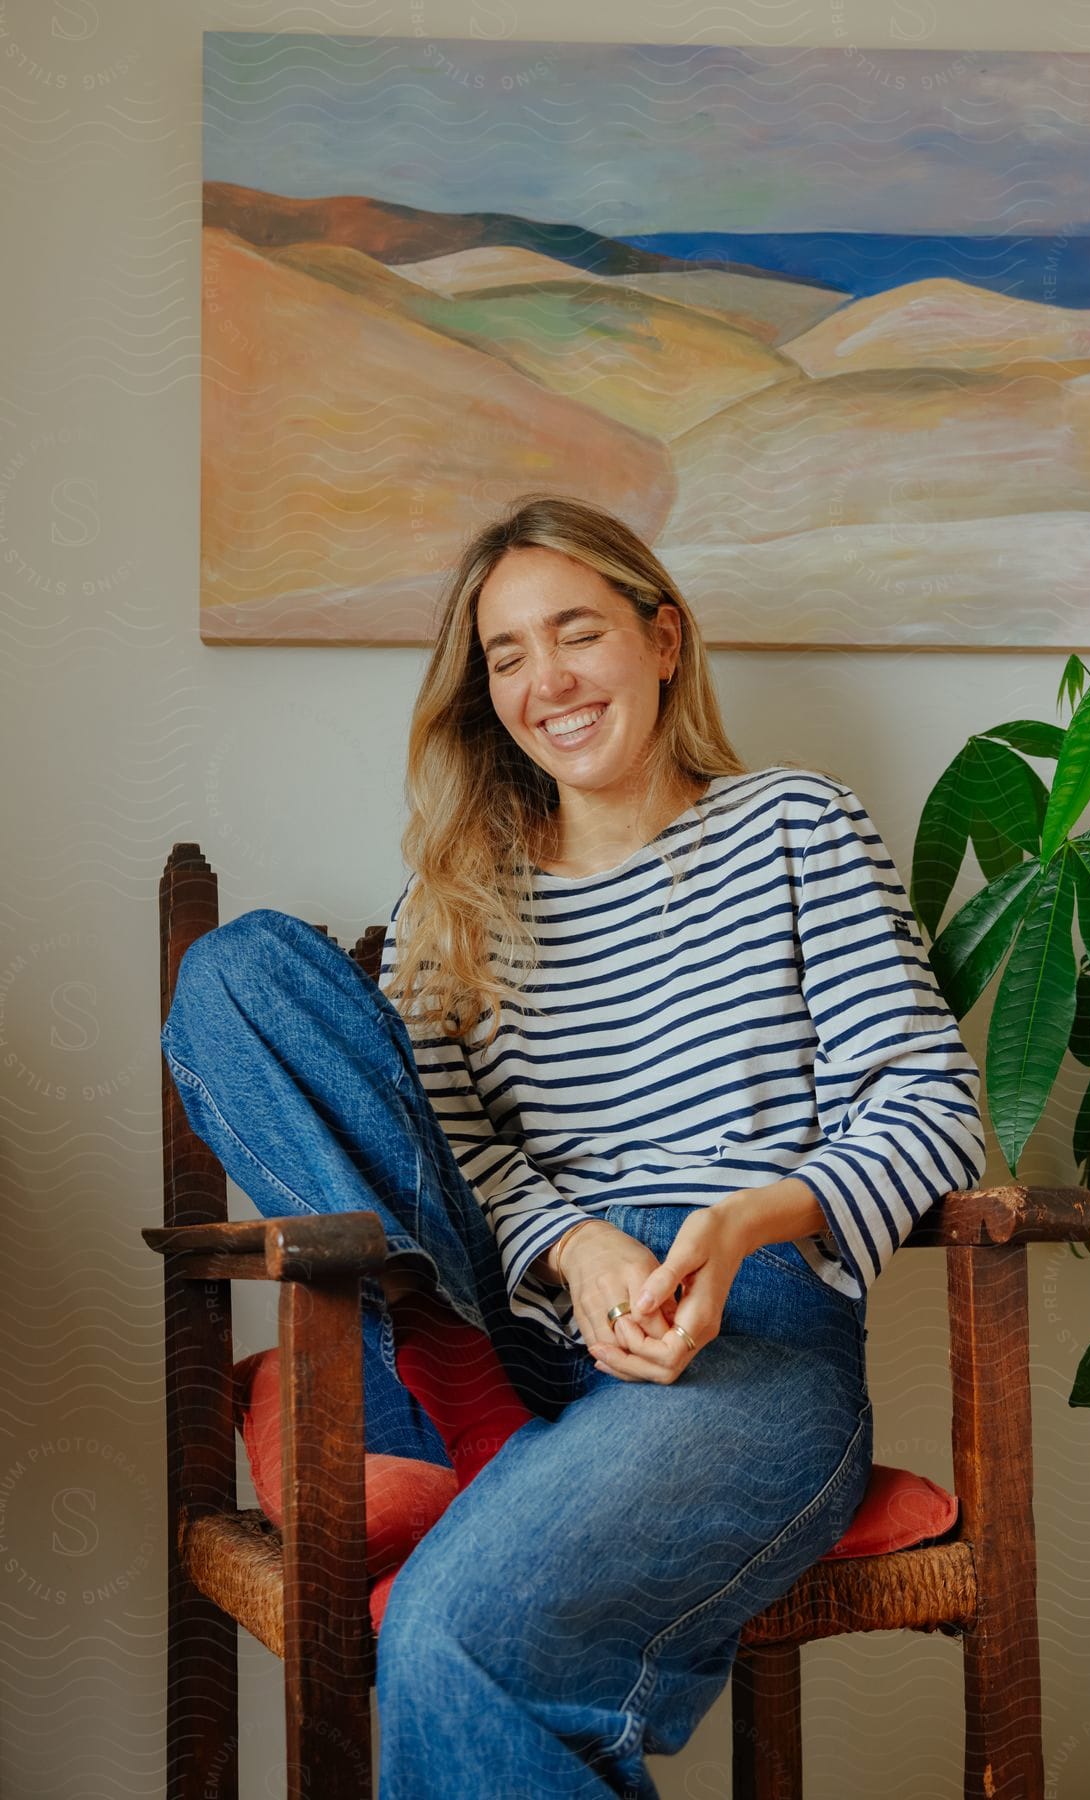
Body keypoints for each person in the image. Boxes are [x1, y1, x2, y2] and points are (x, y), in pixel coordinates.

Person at [161, 493, 986, 1799]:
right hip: (521, 1320)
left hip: (753, 1354)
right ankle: (455, 1381)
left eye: (578, 633)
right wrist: (574, 1243)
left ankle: (454, 1408)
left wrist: (734, 1226)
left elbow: (933, 1111)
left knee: (449, 1634)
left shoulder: (796, 827)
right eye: (505, 655)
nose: (546, 680)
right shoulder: (452, 897)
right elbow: (455, 1156)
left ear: (664, 639)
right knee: (239, 971)